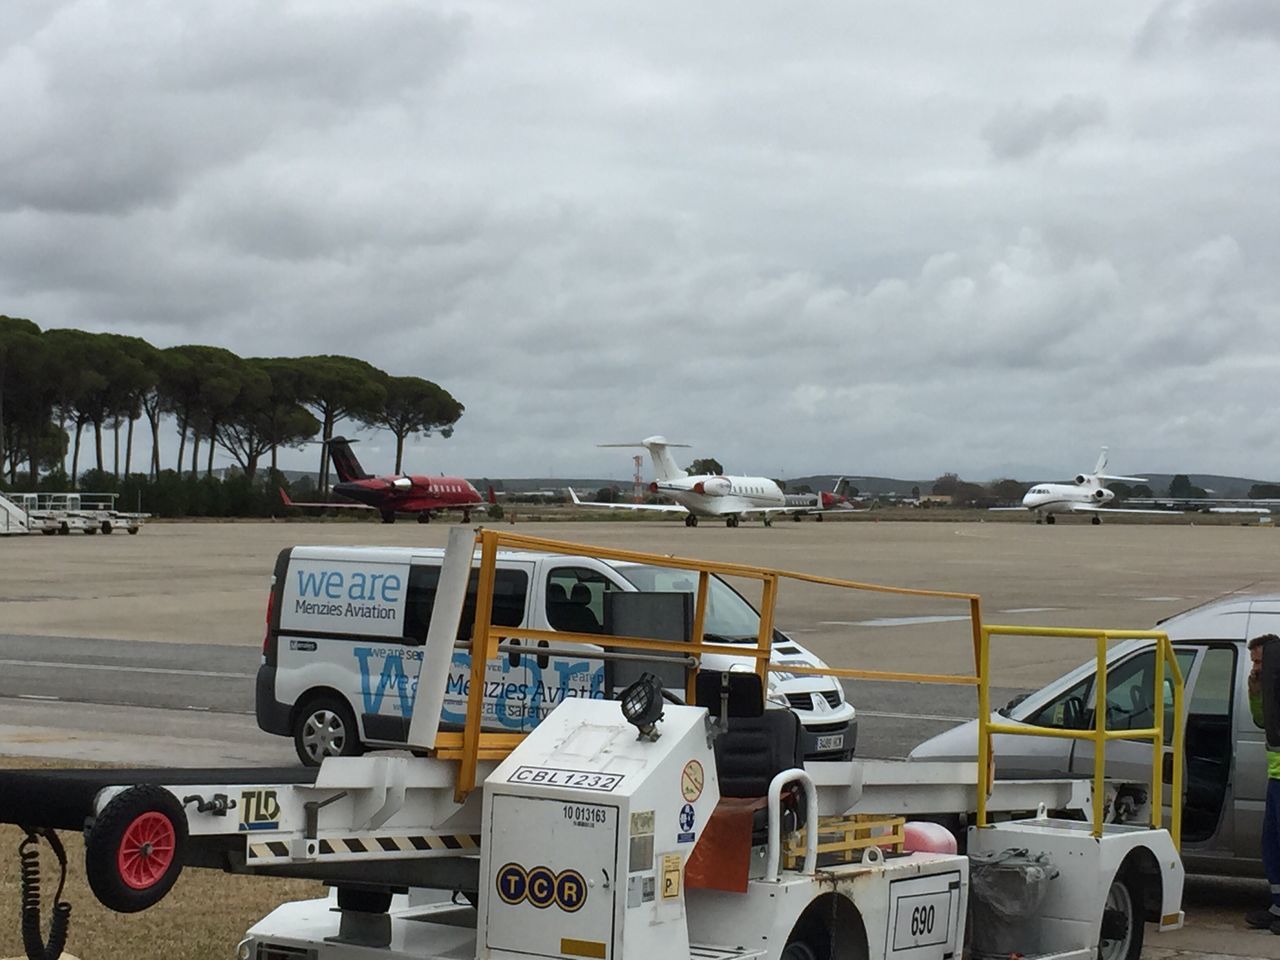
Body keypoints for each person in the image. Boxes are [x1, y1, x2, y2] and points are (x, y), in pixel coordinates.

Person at [1247, 634, 1280, 933]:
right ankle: (1277, 906)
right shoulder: (1265, 685)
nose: (1256, 667)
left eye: (1259, 661)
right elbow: (1261, 720)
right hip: (1276, 775)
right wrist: (1255, 689)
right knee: (1271, 845)